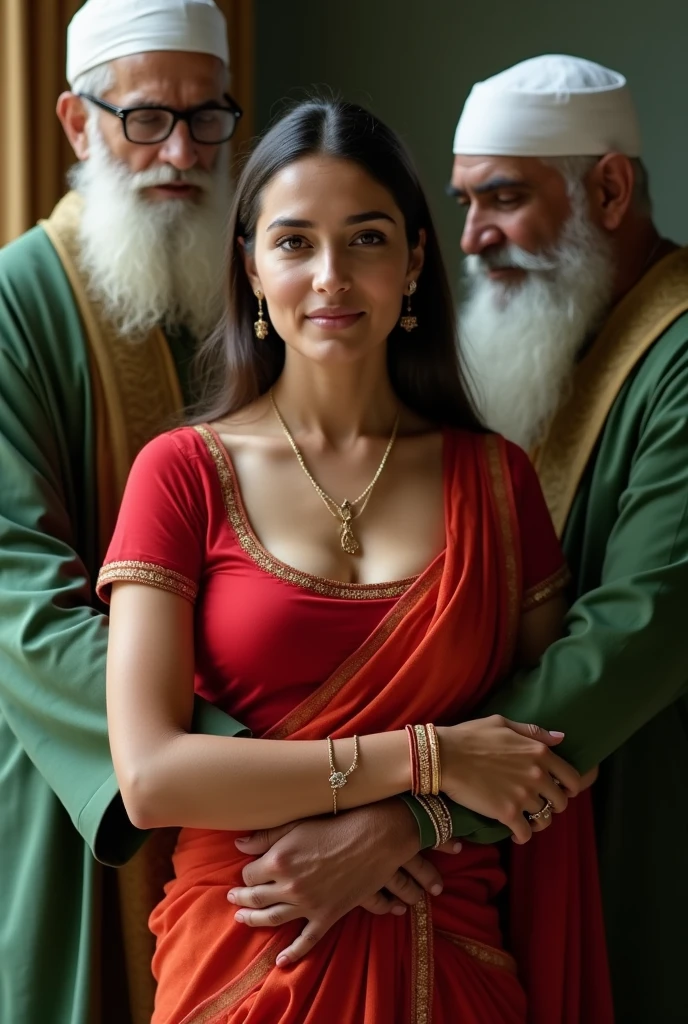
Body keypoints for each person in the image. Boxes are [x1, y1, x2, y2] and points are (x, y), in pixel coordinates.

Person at [99, 98, 612, 1023]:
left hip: (451, 960)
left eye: (366, 239)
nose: (331, 277)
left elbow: (550, 758)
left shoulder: (496, 481)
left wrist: (401, 827)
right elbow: (151, 779)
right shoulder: (179, 474)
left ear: (416, 259)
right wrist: (424, 759)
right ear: (250, 265)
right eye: (294, 243)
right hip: (245, 958)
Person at [217, 56, 688, 1024]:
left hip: (635, 814)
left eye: (504, 199)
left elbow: (641, 629)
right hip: (470, 842)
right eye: (463, 202)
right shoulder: (573, 335)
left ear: (607, 187)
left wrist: (417, 816)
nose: (474, 236)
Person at [0, 2, 246, 1021]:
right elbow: (19, 600)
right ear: (74, 122)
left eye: (208, 118)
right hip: (81, 788)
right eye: (146, 118)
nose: (181, 150)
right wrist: (240, 766)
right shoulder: (18, 299)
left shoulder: (253, 288)